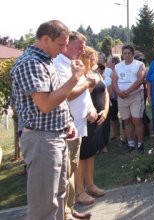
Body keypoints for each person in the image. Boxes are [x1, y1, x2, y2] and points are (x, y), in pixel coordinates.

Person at [10, 20, 85, 220]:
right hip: (42, 140)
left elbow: (57, 98)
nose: (63, 50)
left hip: (55, 137)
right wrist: (74, 79)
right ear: (45, 39)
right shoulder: (31, 63)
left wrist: (67, 122)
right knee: (45, 204)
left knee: (58, 196)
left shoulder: (45, 61)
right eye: (60, 44)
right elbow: (45, 104)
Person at [53, 31, 97, 219]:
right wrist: (87, 82)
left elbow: (79, 94)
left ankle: (69, 210)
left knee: (70, 170)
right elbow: (68, 94)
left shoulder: (74, 64)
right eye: (79, 46)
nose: (82, 50)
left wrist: (90, 108)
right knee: (65, 174)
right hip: (66, 127)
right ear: (67, 44)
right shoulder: (59, 64)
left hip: (77, 125)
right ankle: (64, 212)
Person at [75, 47, 109, 206]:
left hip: (98, 119)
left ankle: (91, 185)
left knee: (91, 153)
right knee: (81, 155)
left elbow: (105, 93)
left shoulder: (96, 73)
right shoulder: (80, 76)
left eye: (95, 57)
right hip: (84, 119)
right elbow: (81, 97)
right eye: (91, 57)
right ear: (83, 58)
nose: (94, 60)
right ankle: (80, 191)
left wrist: (106, 111)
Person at [112, 45, 146, 153]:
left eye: (129, 53)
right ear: (122, 54)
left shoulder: (139, 64)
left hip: (135, 96)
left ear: (132, 54)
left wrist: (128, 91)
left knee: (137, 120)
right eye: (124, 53)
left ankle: (140, 144)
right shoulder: (118, 66)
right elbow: (114, 81)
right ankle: (130, 143)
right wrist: (118, 92)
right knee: (126, 121)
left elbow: (140, 80)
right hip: (121, 97)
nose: (126, 55)